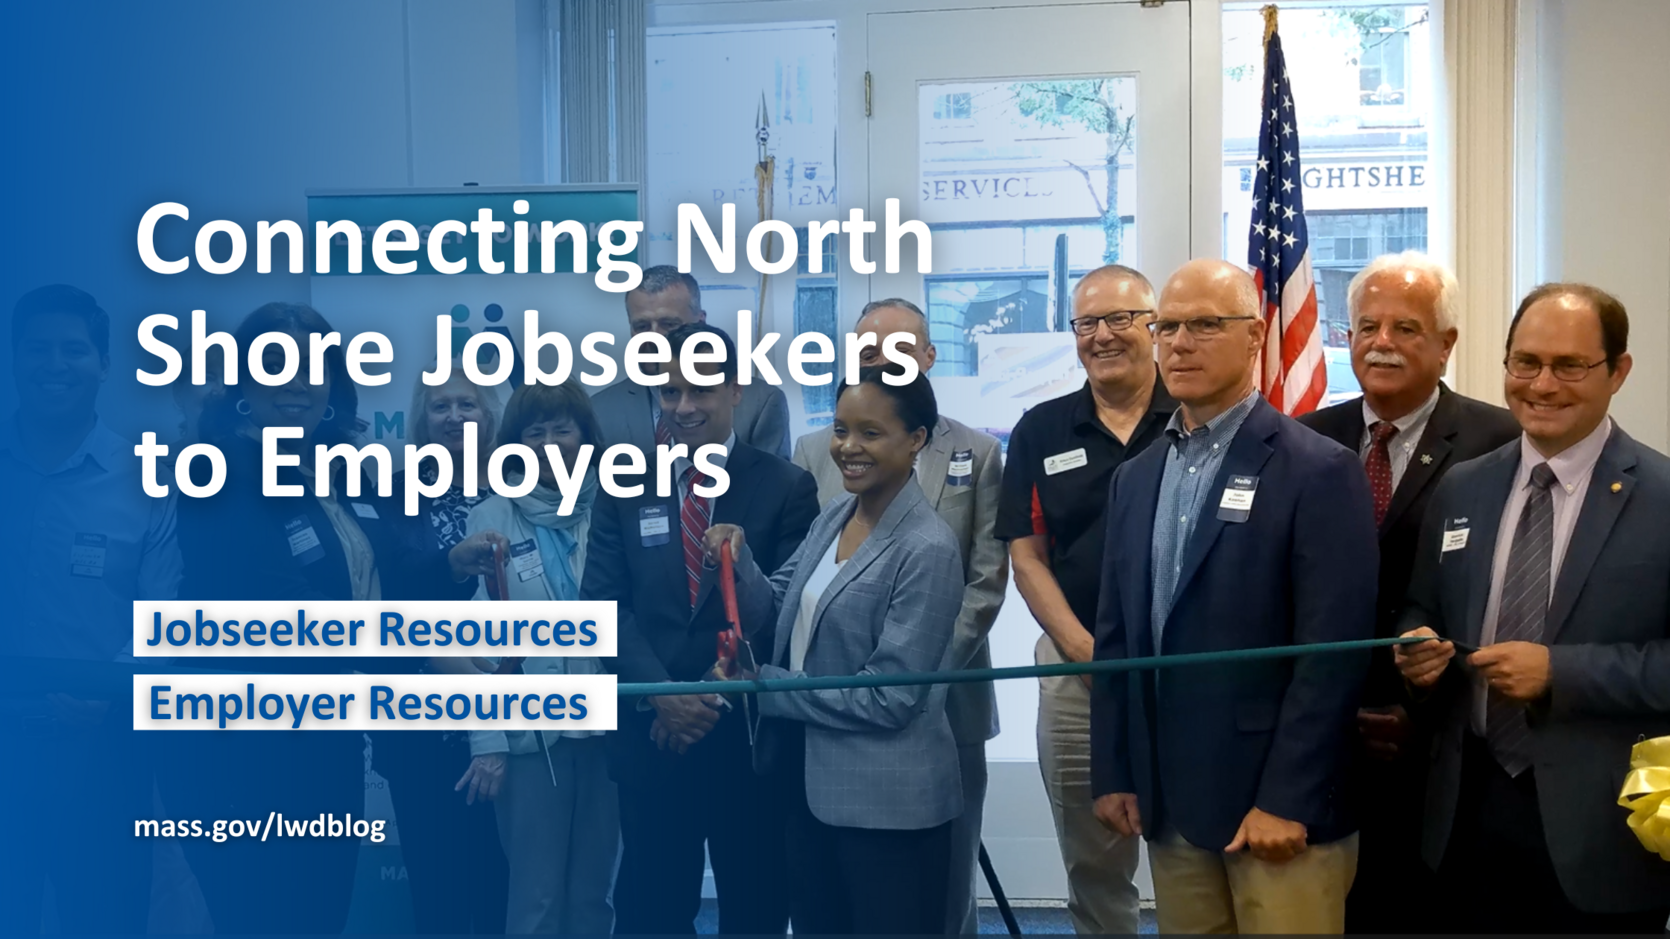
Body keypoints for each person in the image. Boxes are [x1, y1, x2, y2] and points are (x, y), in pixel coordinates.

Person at [165, 303, 505, 934]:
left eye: (312, 366)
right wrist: (430, 654)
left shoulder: (335, 467)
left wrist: (450, 564)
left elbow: (381, 579)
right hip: (246, 748)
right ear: (243, 378)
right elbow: (287, 611)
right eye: (273, 363)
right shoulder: (215, 472)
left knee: (320, 915)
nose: (295, 381)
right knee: (266, 917)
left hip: (330, 738)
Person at [1090, 259, 1377, 934]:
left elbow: (1330, 657)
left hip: (1277, 813)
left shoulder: (1318, 470)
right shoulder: (1136, 479)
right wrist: (1116, 769)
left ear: (1254, 338)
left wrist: (1288, 797)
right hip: (1172, 808)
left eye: (1206, 325)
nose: (1181, 343)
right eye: (1169, 326)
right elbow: (1118, 639)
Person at [1394, 283, 1670, 933]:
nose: (1542, 384)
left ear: (1618, 370)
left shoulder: (1662, 500)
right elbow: (1419, 605)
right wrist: (1417, 647)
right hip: (1466, 816)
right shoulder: (1463, 485)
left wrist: (1559, 673)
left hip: (1602, 829)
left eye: (1569, 365)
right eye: (1525, 362)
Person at [1297, 252, 1519, 933]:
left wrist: (1416, 709)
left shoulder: (1502, 440)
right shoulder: (1307, 439)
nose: (1382, 342)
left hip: (1441, 740)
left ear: (1447, 343)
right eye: (1367, 325)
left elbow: (1506, 594)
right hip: (1323, 740)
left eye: (1405, 327)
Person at [711, 363, 966, 935]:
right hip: (809, 790)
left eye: (871, 433)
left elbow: (891, 697)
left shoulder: (928, 546)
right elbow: (777, 607)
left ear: (917, 439)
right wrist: (739, 561)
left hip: (889, 809)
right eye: (840, 428)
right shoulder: (834, 516)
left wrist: (766, 687)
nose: (848, 447)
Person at [582, 321, 818, 934]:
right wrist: (664, 697)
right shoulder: (623, 481)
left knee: (756, 908)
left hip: (745, 743)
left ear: (737, 391)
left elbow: (788, 614)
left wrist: (706, 696)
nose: (683, 407)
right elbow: (604, 607)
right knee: (652, 910)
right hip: (653, 740)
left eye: (701, 391)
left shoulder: (786, 486)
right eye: (669, 392)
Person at [790, 298, 1006, 935]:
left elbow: (985, 578)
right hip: (833, 709)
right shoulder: (814, 449)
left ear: (930, 357)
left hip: (948, 699)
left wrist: (917, 677)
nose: (880, 360)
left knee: (942, 889)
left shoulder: (979, 451)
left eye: (897, 350)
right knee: (838, 894)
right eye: (866, 352)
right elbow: (805, 576)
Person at [995, 264, 1172, 935]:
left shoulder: (1193, 413)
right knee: (1094, 859)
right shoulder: (1041, 430)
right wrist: (1083, 650)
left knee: (1194, 850)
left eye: (1121, 318)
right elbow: (1028, 554)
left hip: (1185, 668)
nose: (1103, 336)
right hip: (1078, 673)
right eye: (1087, 322)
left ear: (1153, 325)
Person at [0, 285, 181, 934]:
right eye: (38, 348)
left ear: (104, 363)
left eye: (74, 349)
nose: (56, 363)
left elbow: (165, 617)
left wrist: (116, 691)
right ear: (14, 358)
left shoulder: (146, 478)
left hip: (100, 756)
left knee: (105, 919)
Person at [461, 380, 618, 935]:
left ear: (586, 435)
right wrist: (488, 743)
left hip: (606, 731)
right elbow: (473, 643)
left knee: (596, 895)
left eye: (563, 428)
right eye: (536, 431)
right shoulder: (491, 515)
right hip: (531, 737)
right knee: (536, 900)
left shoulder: (615, 506)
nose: (551, 442)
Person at [373, 366, 510, 935]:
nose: (454, 416)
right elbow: (388, 586)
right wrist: (450, 563)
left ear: (490, 415)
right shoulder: (391, 494)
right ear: (421, 420)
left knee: (503, 886)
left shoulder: (518, 493)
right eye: (440, 406)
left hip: (513, 720)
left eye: (467, 405)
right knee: (436, 892)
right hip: (423, 720)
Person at [588, 265, 791, 458]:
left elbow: (773, 489)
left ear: (700, 323)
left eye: (669, 324)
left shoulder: (759, 404)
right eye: (642, 326)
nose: (654, 337)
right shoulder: (600, 411)